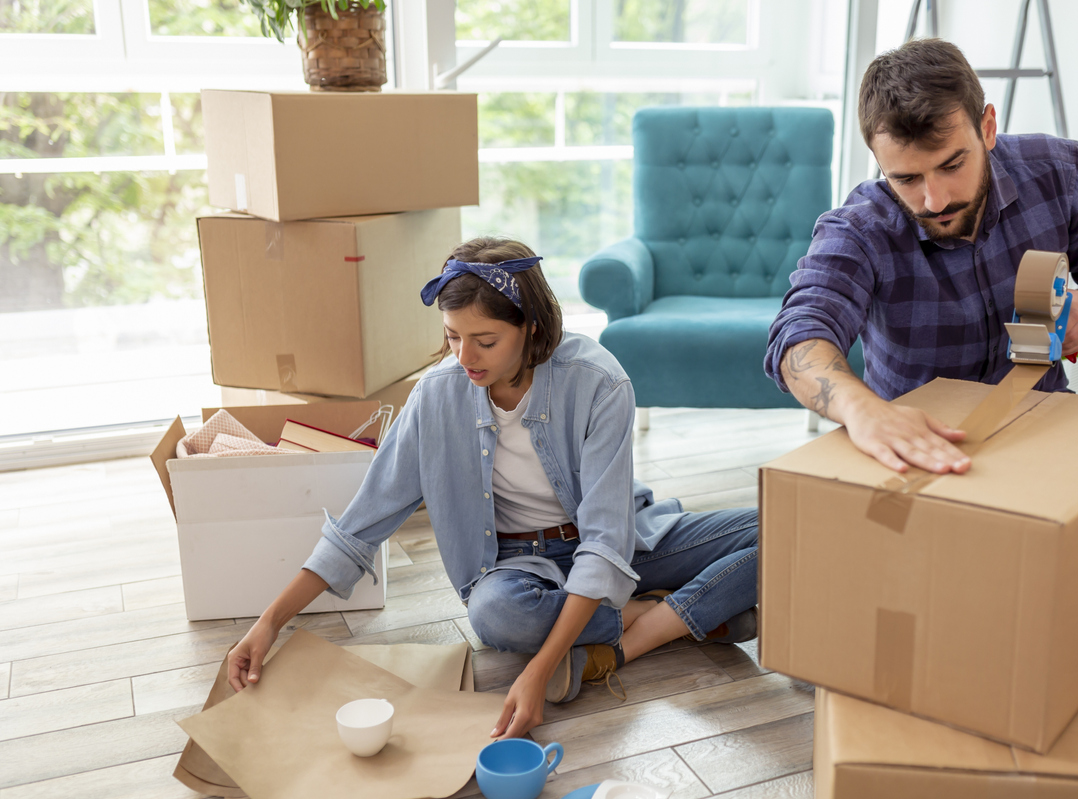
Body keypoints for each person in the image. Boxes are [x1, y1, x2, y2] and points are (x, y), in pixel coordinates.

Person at [225, 237, 759, 740]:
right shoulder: (437, 396)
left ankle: (628, 640)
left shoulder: (598, 381)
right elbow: (361, 523)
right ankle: (666, 613)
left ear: (529, 326)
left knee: (784, 531)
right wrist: (268, 622)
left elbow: (605, 541)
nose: (464, 357)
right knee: (497, 615)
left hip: (627, 538)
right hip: (518, 563)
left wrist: (538, 673)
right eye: (452, 336)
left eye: (484, 340)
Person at [766, 39, 1078, 475]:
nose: (934, 200)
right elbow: (799, 334)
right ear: (879, 162)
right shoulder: (861, 227)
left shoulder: (1061, 173)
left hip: (1046, 425)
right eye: (907, 178)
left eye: (952, 166)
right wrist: (864, 410)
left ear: (987, 127)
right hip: (918, 449)